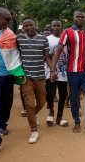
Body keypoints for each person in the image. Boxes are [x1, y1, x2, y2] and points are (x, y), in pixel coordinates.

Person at [50, 10, 85, 136]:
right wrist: (52, 69)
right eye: (78, 17)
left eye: (83, 17)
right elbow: (58, 50)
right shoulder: (67, 32)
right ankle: (77, 122)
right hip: (72, 71)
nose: (80, 19)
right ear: (73, 18)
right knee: (74, 98)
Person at [0, 7, 25, 151]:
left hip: (8, 76)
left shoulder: (10, 34)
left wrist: (19, 72)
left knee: (7, 103)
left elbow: (16, 54)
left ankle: (2, 124)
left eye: (10, 20)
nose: (9, 23)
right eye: (6, 20)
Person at [17, 16, 51, 144]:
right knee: (29, 105)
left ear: (35, 25)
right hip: (26, 78)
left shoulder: (43, 39)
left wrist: (53, 70)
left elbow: (47, 57)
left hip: (40, 77)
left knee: (42, 101)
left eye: (31, 25)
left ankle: (33, 114)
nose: (29, 27)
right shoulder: (19, 39)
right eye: (25, 25)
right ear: (22, 27)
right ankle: (34, 131)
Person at [45, 19, 69, 127]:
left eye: (58, 25)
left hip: (63, 70)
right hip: (50, 70)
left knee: (63, 94)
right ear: (51, 27)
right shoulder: (47, 39)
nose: (56, 27)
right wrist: (52, 70)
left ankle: (59, 117)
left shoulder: (66, 38)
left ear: (61, 26)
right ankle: (51, 111)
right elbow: (45, 56)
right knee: (50, 93)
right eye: (54, 25)